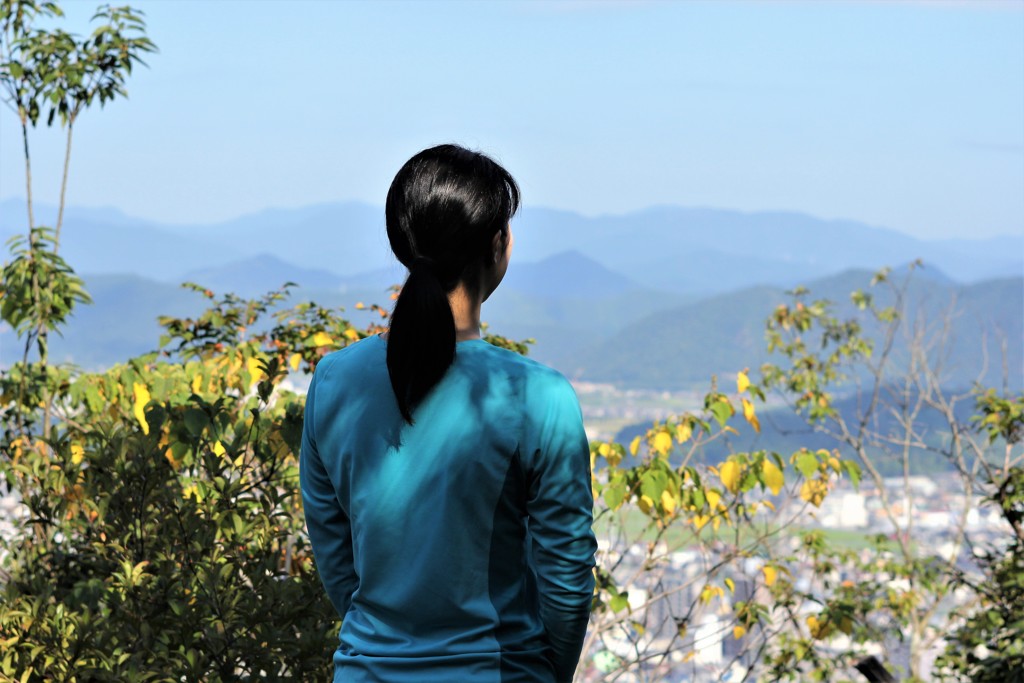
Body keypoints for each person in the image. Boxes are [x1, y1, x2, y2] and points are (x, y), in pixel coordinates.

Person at [300, 144, 598, 683]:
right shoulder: (538, 396)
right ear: (497, 246)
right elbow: (567, 578)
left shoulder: (333, 382)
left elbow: (336, 556)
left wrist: (386, 644)